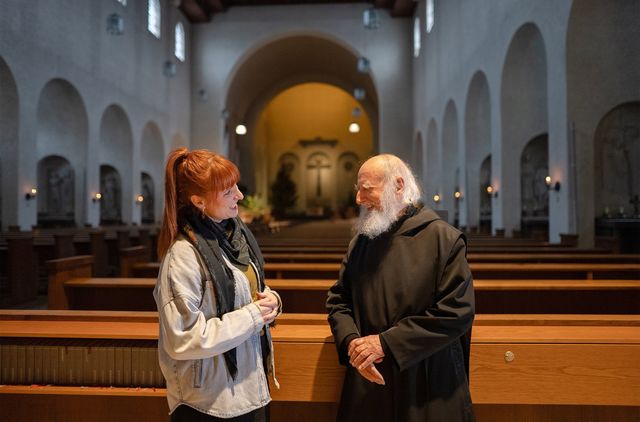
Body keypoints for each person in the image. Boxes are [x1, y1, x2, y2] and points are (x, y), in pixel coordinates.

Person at [326, 154, 475, 422]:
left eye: (366, 189)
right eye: (358, 190)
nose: (358, 199)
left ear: (398, 185)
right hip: (369, 377)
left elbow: (456, 312)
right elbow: (339, 300)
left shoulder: (444, 240)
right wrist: (352, 343)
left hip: (427, 381)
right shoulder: (362, 242)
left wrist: (386, 344)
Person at [154, 148, 282, 421]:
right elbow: (184, 338)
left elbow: (245, 289)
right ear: (199, 201)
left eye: (236, 186)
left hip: (250, 385)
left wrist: (271, 299)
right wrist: (254, 315)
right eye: (228, 191)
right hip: (210, 401)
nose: (240, 195)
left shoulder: (234, 238)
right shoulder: (183, 255)